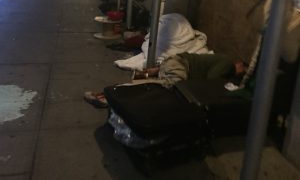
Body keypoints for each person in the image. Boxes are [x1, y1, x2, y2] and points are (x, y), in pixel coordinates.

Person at [84, 53, 246, 108]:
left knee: (154, 89)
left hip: (175, 63)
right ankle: (107, 97)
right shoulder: (228, 63)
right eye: (241, 70)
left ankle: (107, 94)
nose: (239, 73)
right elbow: (211, 81)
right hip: (180, 66)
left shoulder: (219, 60)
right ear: (239, 63)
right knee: (167, 89)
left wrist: (156, 70)